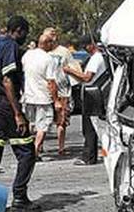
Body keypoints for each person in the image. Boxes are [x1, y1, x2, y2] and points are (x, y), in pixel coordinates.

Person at [0, 15, 37, 212]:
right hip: (5, 104)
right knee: (27, 152)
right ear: (19, 30)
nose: (24, 37)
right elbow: (7, 80)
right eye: (25, 33)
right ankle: (20, 196)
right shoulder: (10, 46)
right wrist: (17, 114)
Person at [63, 37, 108, 165]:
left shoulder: (96, 58)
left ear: (91, 45)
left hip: (92, 96)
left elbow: (87, 78)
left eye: (85, 46)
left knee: (89, 128)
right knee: (95, 127)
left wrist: (70, 71)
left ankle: (88, 156)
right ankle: (100, 154)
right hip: (95, 95)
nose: (84, 49)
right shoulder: (100, 57)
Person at [21, 29, 61, 158]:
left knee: (31, 124)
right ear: (47, 44)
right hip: (43, 98)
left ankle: (29, 150)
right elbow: (51, 82)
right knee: (42, 126)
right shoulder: (48, 59)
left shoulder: (27, 55)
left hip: (28, 96)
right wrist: (56, 100)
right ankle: (35, 151)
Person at [46, 29, 78, 157]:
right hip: (45, 91)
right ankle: (39, 147)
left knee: (61, 121)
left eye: (52, 36)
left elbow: (73, 67)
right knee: (43, 122)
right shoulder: (41, 52)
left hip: (62, 91)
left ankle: (61, 147)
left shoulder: (64, 52)